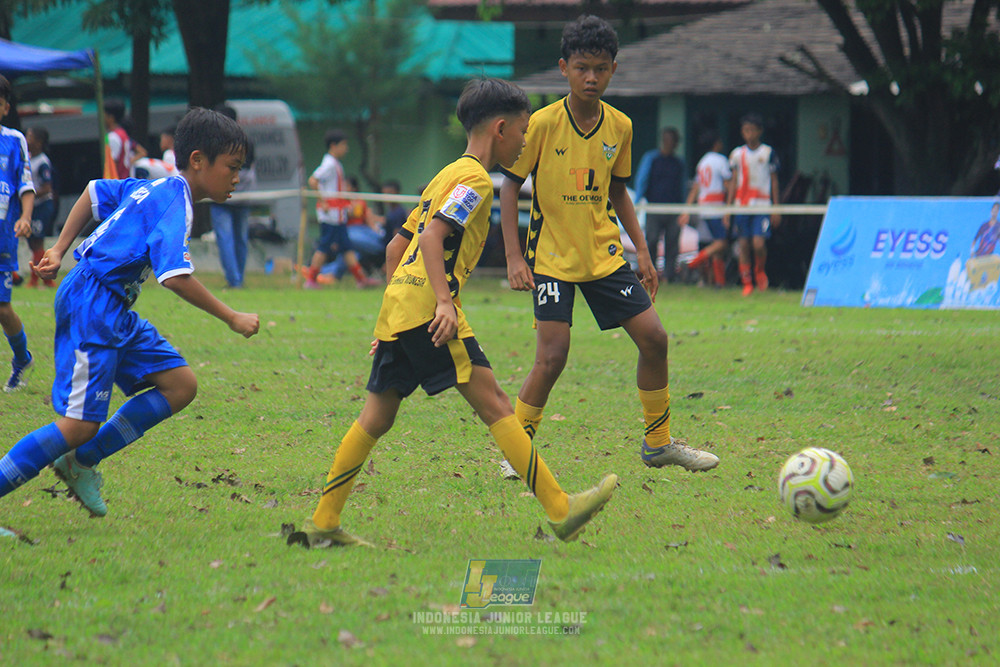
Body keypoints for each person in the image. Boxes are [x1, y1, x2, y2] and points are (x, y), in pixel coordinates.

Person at [287, 78, 617, 548]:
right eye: (523, 131)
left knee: (376, 416)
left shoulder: (446, 174)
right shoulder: (477, 180)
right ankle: (561, 509)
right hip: (431, 312)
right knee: (496, 403)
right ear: (500, 129)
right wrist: (443, 302)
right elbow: (430, 238)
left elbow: (395, 248)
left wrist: (393, 317)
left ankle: (324, 520)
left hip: (403, 308)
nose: (525, 142)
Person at [0, 107, 260, 516]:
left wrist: (60, 248)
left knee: (180, 385)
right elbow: (175, 277)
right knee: (78, 424)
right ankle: (66, 455)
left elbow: (93, 193)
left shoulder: (153, 188)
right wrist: (232, 316)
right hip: (93, 304)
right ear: (198, 160)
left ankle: (81, 461)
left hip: (111, 304)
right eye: (232, 166)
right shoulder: (173, 203)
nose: (236, 177)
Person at [497, 15, 719, 479]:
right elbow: (510, 186)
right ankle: (517, 452)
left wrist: (643, 251)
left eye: (600, 68)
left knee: (655, 338)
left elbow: (618, 191)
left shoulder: (620, 126)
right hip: (551, 258)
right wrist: (515, 258)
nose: (591, 77)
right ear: (564, 68)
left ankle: (658, 443)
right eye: (582, 68)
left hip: (603, 255)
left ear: (613, 69)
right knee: (552, 357)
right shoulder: (542, 124)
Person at [0, 75, 36, 392]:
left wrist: (25, 216)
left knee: (2, 309)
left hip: (3, 238)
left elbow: (25, 184)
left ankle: (22, 358)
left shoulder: (14, 141)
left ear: (5, 108)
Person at [303, 130, 374, 288]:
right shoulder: (329, 164)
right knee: (324, 247)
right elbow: (313, 180)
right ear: (333, 146)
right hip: (331, 216)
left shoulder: (334, 163)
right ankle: (311, 279)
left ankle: (361, 279)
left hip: (338, 215)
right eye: (343, 145)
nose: (346, 149)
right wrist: (323, 201)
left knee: (347, 247)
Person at [727, 113, 780, 296]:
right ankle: (747, 282)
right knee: (743, 244)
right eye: (745, 130)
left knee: (758, 244)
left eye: (752, 130)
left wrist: (776, 207)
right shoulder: (737, 154)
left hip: (762, 205)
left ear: (759, 131)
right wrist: (728, 208)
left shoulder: (767, 153)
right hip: (742, 205)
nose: (748, 134)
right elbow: (733, 181)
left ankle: (759, 270)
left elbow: (774, 180)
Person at [210, 105, 256, 289]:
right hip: (244, 195)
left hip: (221, 196)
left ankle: (234, 280)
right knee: (240, 239)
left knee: (225, 238)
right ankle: (239, 278)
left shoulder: (216, 143)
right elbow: (250, 169)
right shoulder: (247, 140)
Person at [679, 131, 732, 288]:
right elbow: (728, 184)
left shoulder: (702, 162)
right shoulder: (721, 160)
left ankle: (719, 282)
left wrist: (687, 209)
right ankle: (692, 263)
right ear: (716, 144)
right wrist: (730, 206)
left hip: (703, 207)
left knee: (715, 245)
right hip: (716, 207)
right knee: (721, 243)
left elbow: (695, 188)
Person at [635, 127, 685, 282]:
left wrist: (684, 208)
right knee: (651, 240)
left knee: (672, 243)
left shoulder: (679, 163)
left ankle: (669, 276)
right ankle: (650, 273)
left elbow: (682, 187)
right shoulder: (652, 159)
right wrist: (637, 203)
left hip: (673, 209)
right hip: (654, 208)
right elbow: (642, 180)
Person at [323, 176, 385, 280]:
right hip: (349, 232)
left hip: (360, 232)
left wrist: (376, 228)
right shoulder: (341, 201)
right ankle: (329, 272)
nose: (343, 188)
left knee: (349, 249)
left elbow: (367, 217)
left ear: (353, 188)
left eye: (346, 186)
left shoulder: (359, 201)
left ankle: (329, 273)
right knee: (351, 252)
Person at [25, 126, 56, 289]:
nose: (27, 140)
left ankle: (36, 279)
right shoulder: (29, 158)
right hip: (33, 206)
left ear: (39, 142)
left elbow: (47, 187)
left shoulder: (43, 162)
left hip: (42, 205)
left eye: (30, 137)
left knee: (37, 242)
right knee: (33, 243)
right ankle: (46, 278)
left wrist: (28, 194)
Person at [104, 99, 144, 179]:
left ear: (111, 117)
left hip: (118, 180)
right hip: (126, 179)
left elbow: (112, 165)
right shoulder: (123, 133)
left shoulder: (112, 137)